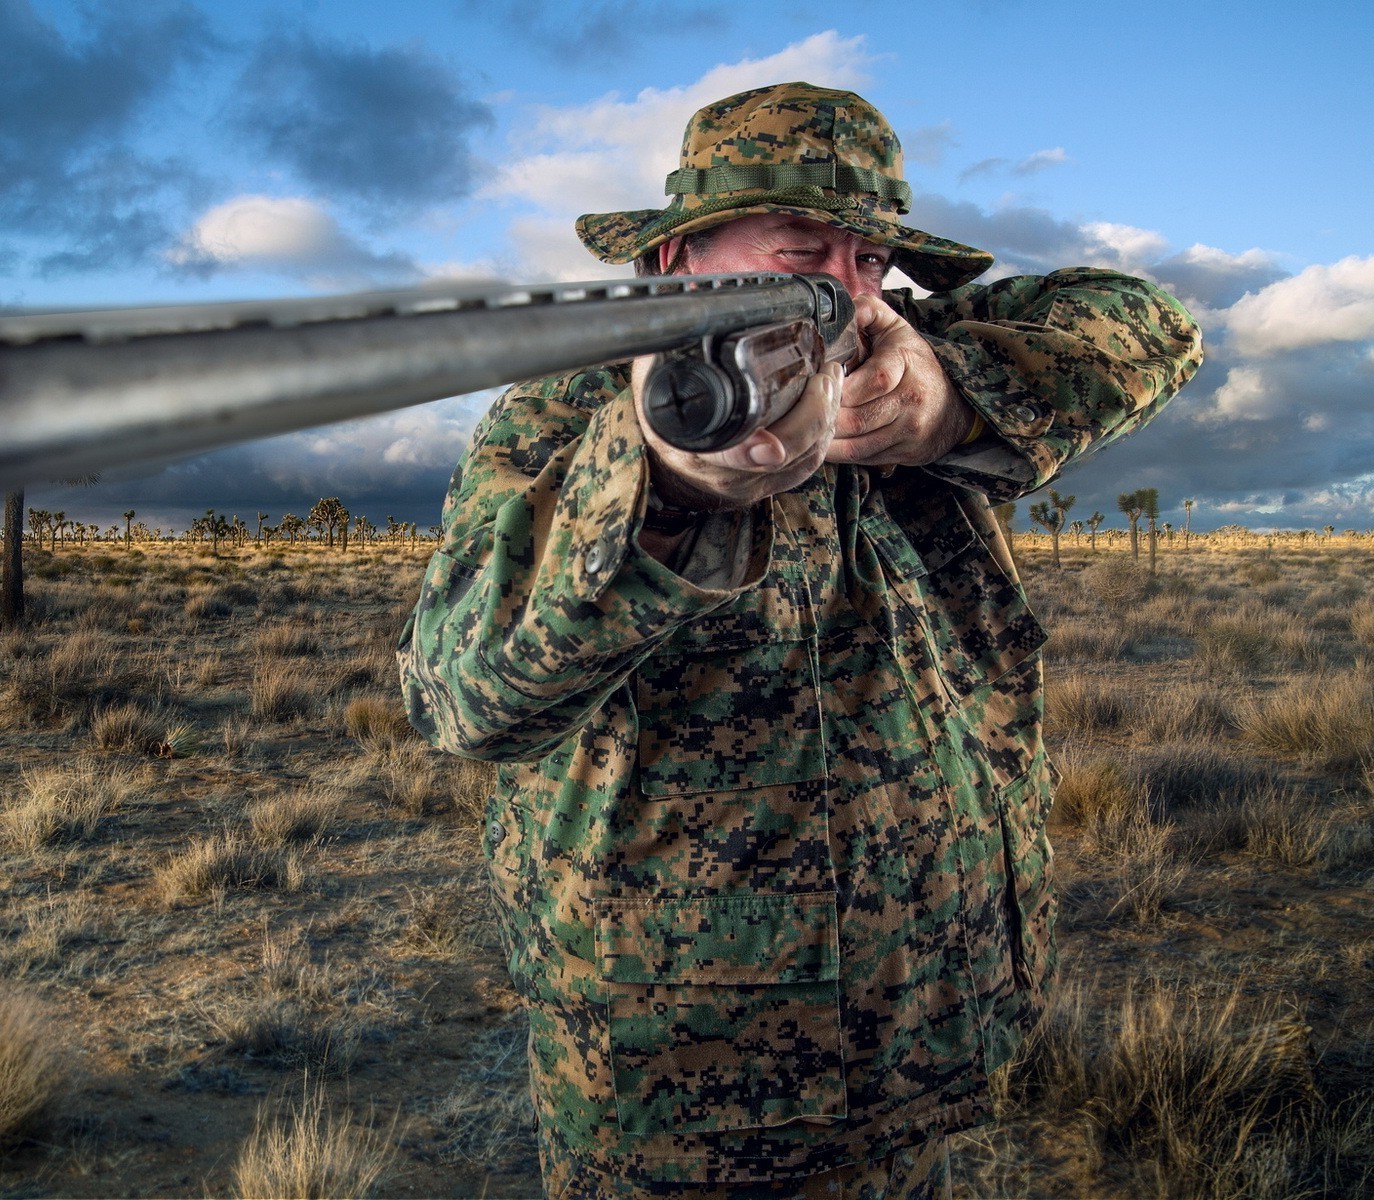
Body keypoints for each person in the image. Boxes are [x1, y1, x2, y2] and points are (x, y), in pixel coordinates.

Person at [399, 82, 1202, 1197]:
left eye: (869, 259)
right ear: (679, 257)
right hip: (686, 1079)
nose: (845, 285)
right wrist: (661, 490)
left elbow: (1149, 319)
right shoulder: (564, 411)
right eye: (802, 247)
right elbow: (465, 699)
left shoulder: (899, 350)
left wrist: (949, 404)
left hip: (927, 1031)